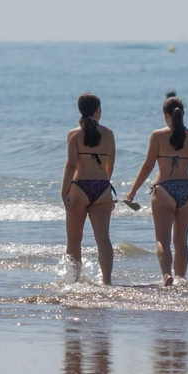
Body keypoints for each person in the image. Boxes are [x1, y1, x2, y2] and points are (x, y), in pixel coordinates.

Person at [124, 94, 188, 286]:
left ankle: (166, 276)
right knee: (181, 242)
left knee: (162, 240)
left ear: (165, 115)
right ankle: (181, 280)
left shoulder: (157, 136)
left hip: (164, 189)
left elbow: (148, 166)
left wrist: (132, 192)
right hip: (187, 190)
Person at [60, 93, 117, 284]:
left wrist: (64, 191)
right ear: (98, 110)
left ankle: (74, 281)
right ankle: (107, 282)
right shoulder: (109, 134)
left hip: (79, 188)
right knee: (103, 239)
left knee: (74, 239)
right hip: (102, 187)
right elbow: (110, 166)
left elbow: (70, 166)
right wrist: (104, 187)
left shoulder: (74, 134)